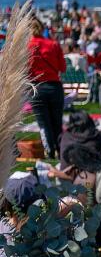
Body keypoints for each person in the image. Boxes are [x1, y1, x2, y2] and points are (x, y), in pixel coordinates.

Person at [27, 17, 66, 158]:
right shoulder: (53, 45)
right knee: (57, 123)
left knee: (44, 124)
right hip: (54, 86)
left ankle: (50, 152)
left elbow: (24, 71)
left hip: (37, 88)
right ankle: (61, 150)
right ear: (42, 29)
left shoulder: (27, 47)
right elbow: (63, 67)